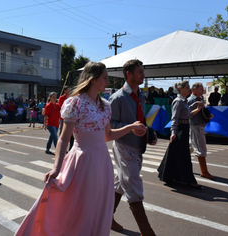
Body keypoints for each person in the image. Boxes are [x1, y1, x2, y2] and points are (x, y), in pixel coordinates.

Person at [15, 61, 146, 236]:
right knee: (81, 209)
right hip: (82, 161)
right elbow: (63, 138)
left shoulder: (105, 105)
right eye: (105, 78)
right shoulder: (74, 103)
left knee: (99, 207)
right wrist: (56, 167)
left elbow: (108, 136)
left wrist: (130, 127)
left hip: (102, 162)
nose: (108, 82)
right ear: (93, 79)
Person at [109, 59, 157, 235]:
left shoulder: (140, 97)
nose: (144, 75)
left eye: (143, 72)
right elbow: (110, 125)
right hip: (123, 145)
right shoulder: (117, 98)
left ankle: (107, 218)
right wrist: (131, 129)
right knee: (133, 182)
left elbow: (140, 120)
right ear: (129, 74)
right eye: (140, 72)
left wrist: (149, 133)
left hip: (138, 146)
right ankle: (147, 231)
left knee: (120, 183)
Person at [158, 81, 202, 189]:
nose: (189, 89)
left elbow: (188, 115)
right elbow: (174, 118)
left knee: (175, 154)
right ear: (181, 89)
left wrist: (198, 109)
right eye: (187, 87)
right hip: (180, 130)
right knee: (184, 156)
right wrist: (173, 133)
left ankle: (169, 176)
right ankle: (190, 180)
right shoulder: (178, 101)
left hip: (185, 128)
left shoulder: (185, 101)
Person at [187, 83, 215, 180]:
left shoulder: (199, 99)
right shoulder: (191, 100)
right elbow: (188, 114)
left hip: (198, 125)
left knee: (189, 147)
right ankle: (204, 171)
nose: (203, 90)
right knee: (201, 148)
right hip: (196, 126)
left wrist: (207, 115)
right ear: (195, 89)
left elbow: (201, 112)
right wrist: (198, 109)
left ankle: (176, 165)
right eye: (201, 88)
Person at [58, 86, 75, 151]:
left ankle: (71, 148)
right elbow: (61, 108)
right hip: (63, 118)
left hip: (71, 118)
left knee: (72, 134)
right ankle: (61, 148)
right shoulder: (62, 98)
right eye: (69, 89)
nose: (70, 90)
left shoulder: (72, 97)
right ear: (65, 90)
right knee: (63, 133)